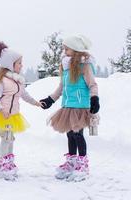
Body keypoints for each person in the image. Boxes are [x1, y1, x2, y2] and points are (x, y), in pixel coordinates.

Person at [0, 42, 42, 181]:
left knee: (10, 139)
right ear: (10, 64)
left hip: (13, 115)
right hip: (3, 115)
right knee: (6, 139)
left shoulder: (18, 80)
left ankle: (9, 163)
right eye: (19, 63)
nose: (21, 65)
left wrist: (35, 102)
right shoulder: (2, 80)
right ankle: (3, 164)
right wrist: (1, 110)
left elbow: (24, 95)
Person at [40, 35, 100, 182]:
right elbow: (61, 88)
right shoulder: (67, 68)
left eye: (67, 48)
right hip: (67, 106)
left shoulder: (85, 66)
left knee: (78, 134)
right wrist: (50, 100)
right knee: (70, 135)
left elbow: (93, 85)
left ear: (75, 50)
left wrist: (94, 98)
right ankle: (72, 161)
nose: (64, 51)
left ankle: (83, 163)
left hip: (80, 107)